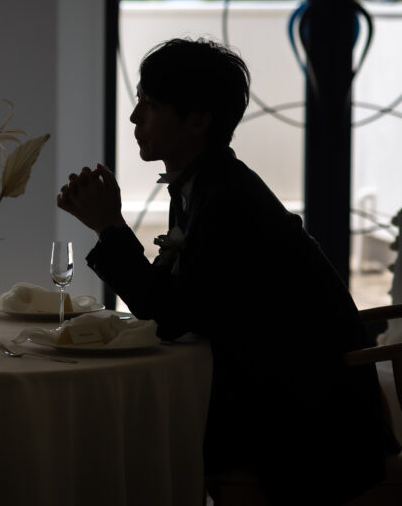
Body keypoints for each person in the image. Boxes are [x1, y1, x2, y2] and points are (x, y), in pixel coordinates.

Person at [56, 38, 398, 503]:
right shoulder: (204, 185)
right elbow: (175, 300)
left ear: (199, 120)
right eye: (138, 101)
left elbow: (170, 315)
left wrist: (109, 226)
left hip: (307, 422)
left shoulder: (229, 201)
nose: (135, 117)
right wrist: (109, 227)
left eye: (150, 105)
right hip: (277, 394)